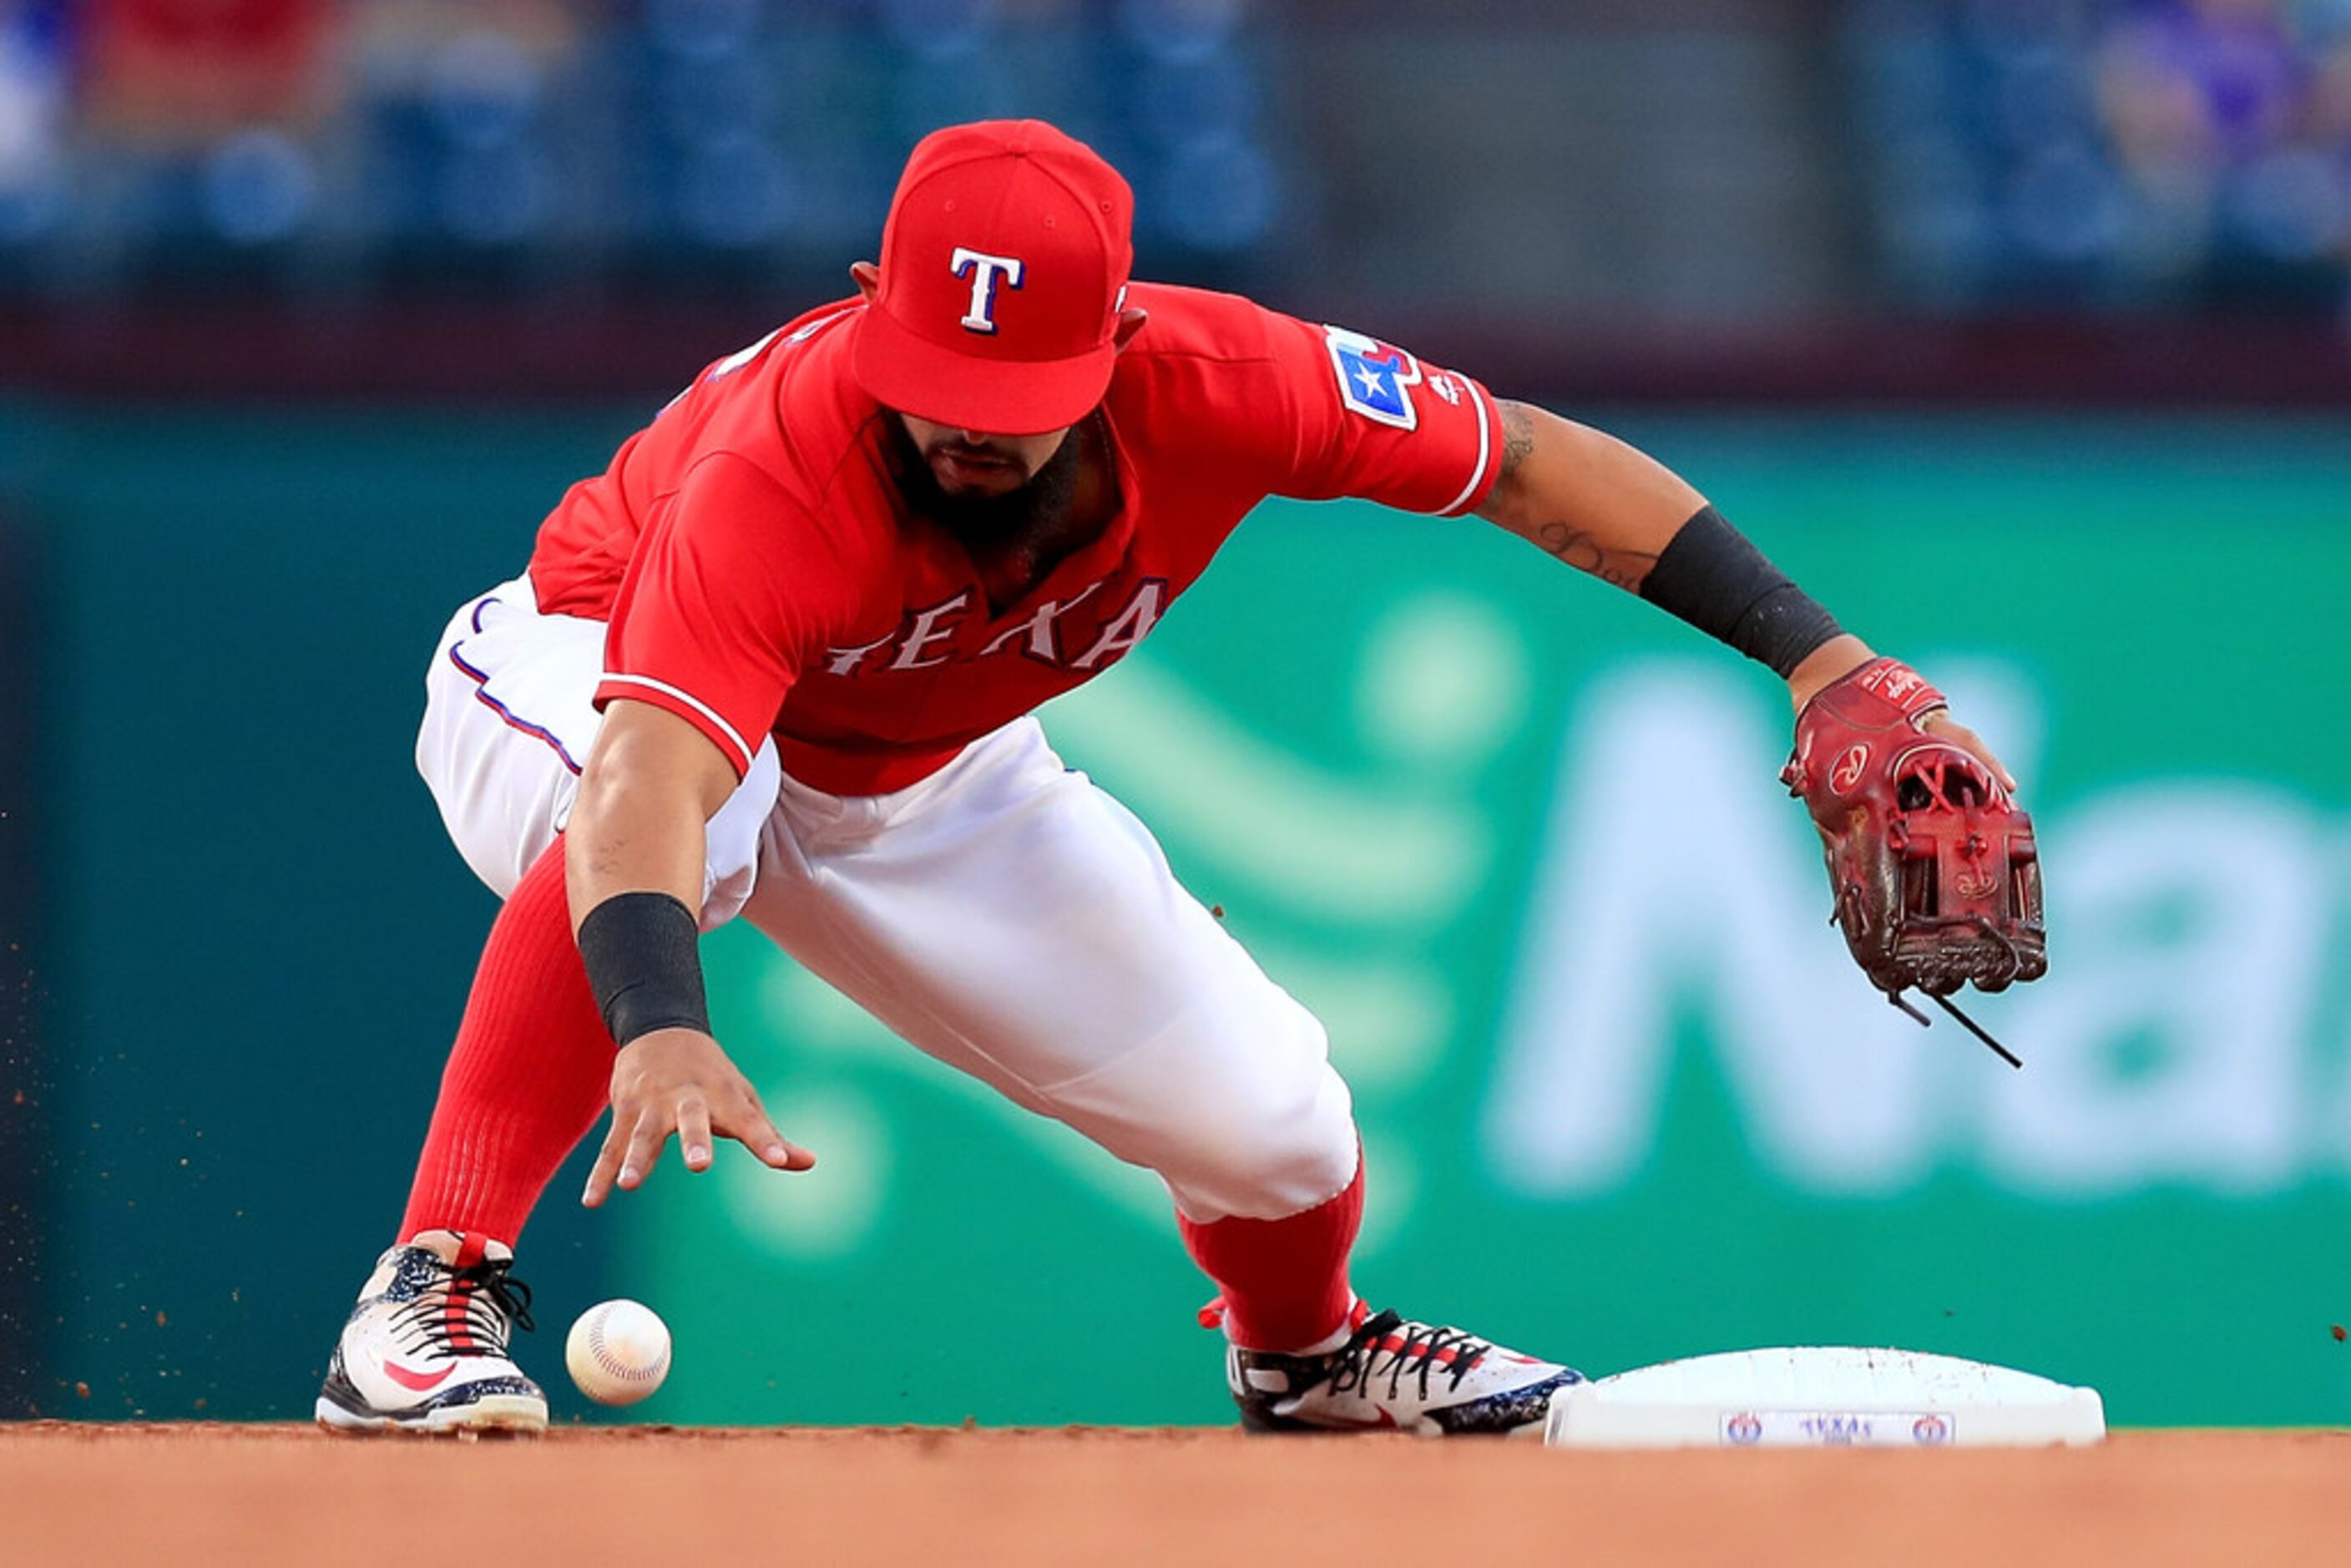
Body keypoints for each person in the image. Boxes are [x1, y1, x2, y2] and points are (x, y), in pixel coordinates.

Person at [316, 119, 2015, 1437]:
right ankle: (430, 1289)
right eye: (937, 382)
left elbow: (1528, 464)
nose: (969, 427)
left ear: (1113, 342)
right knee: (724, 810)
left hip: (925, 766)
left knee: (1273, 1120)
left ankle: (1309, 1360)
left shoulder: (1227, 379)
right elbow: (650, 784)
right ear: (871, 309)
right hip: (578, 664)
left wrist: (1822, 659)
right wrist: (661, 1020)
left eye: (1014, 392)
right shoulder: (784, 469)